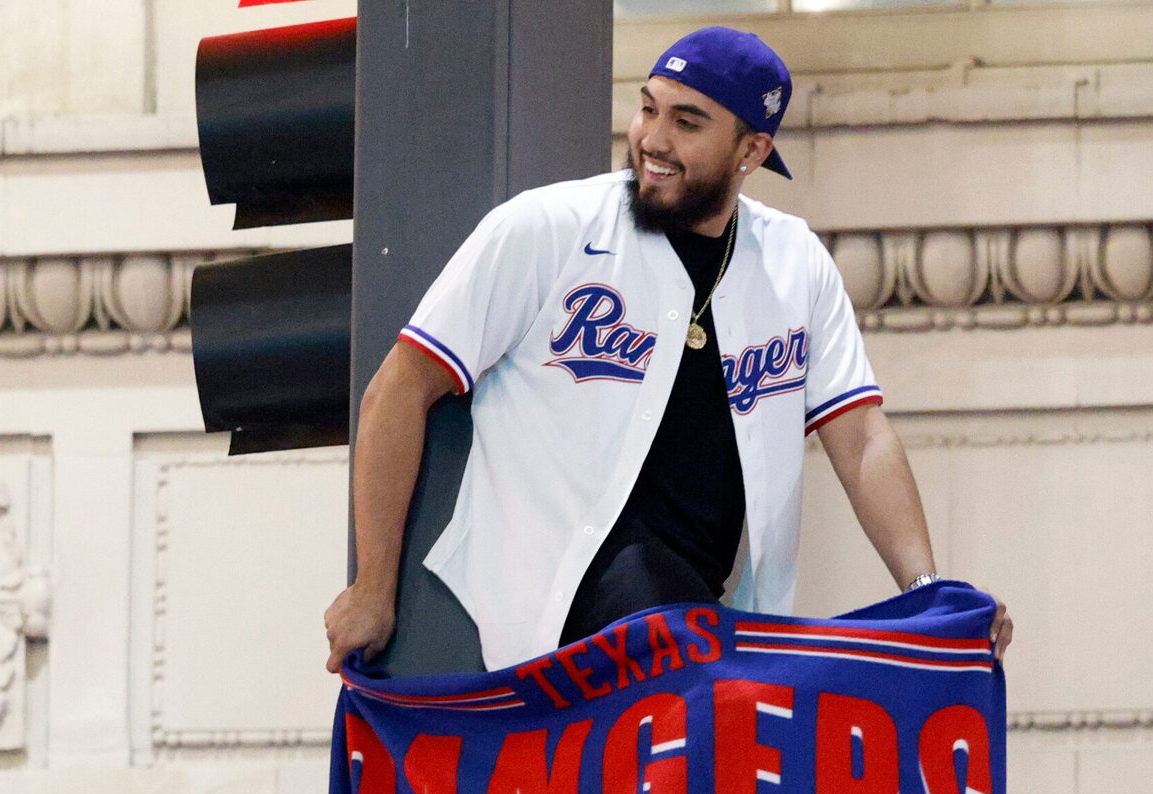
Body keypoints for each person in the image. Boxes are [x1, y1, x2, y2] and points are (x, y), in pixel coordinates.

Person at [322, 25, 1015, 675]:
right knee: (674, 637)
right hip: (561, 595)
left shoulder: (793, 262)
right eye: (647, 109)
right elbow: (399, 388)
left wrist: (926, 592)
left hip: (699, 614)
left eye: (686, 123)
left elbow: (860, 436)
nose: (653, 138)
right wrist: (371, 588)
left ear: (750, 152)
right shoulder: (545, 228)